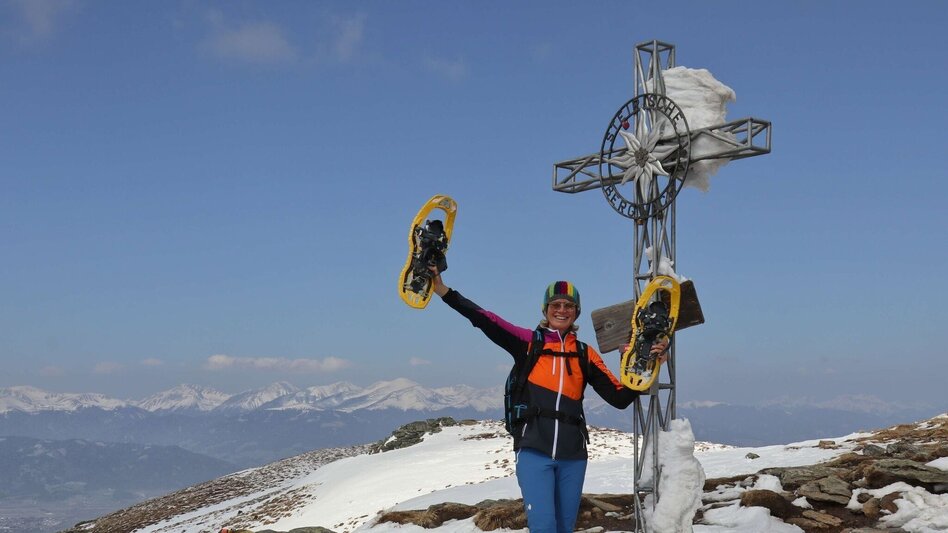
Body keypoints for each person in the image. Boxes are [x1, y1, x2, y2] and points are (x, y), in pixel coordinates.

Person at [431, 270, 668, 533]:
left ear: (576, 312)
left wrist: (645, 362)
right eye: (555, 305)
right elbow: (485, 319)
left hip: (573, 455)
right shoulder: (529, 343)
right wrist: (443, 291)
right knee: (544, 526)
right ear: (546, 310)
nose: (562, 310)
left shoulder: (585, 354)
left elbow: (620, 397)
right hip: (533, 450)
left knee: (565, 527)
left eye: (569, 306)